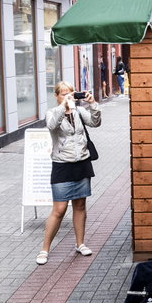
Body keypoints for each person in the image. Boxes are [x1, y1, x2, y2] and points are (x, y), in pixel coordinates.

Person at [36, 82, 102, 265]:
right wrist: (62, 107)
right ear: (56, 96)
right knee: (59, 209)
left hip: (82, 162)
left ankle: (80, 243)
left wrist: (93, 104)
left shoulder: (79, 112)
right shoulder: (52, 113)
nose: (67, 96)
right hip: (62, 165)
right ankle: (44, 249)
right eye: (63, 94)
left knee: (80, 205)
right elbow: (51, 125)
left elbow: (95, 122)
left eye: (70, 93)